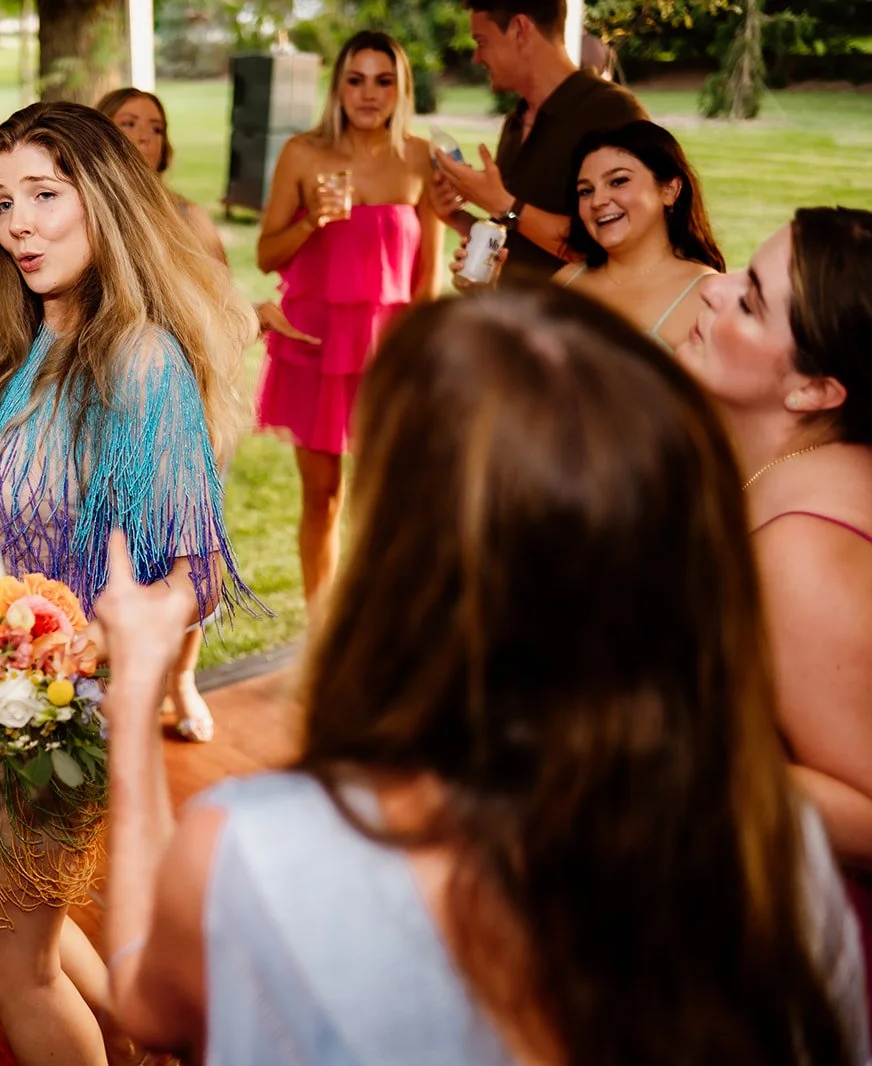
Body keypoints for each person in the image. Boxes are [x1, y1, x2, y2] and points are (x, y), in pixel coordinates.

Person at [97, 282, 870, 1065]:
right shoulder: (768, 846)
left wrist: (133, 702)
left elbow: (147, 1005)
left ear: (399, 546)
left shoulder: (260, 851)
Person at [0, 1, 259, 1062]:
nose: (18, 224)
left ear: (103, 200)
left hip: (53, 709)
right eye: (0, 201)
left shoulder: (138, 358)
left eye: (45, 194)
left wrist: (81, 649)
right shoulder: (32, 325)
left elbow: (196, 573)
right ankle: (152, 1036)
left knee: (8, 957)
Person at [674, 206, 872, 1005]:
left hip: (800, 969)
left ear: (815, 389)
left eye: (751, 300)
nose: (713, 289)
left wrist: (664, 744)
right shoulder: (792, 474)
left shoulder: (803, 554)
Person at [97, 84, 317, 743]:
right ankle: (107, 686)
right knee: (109, 554)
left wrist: (254, 316)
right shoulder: (83, 218)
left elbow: (221, 310)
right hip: (104, 414)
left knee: (191, 554)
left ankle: (183, 680)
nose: (144, 134)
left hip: (187, 410)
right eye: (127, 122)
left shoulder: (190, 219)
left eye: (154, 125)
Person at [254, 30, 443, 616]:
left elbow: (427, 277)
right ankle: (322, 629)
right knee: (323, 497)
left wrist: (418, 358)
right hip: (316, 347)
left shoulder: (420, 158)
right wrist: (312, 219)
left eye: (383, 81)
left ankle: (379, 627)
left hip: (388, 354)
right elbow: (266, 254)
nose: (368, 94)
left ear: (401, 90)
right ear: (338, 87)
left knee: (387, 501)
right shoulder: (303, 154)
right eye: (356, 80)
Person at [433, 0, 645, 281]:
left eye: (482, 42)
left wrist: (503, 204)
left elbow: (618, 245)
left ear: (520, 29)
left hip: (575, 310)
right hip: (518, 308)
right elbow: (521, 236)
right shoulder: (516, 121)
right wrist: (459, 219)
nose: (476, 57)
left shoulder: (611, 111)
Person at [555, 120, 723, 349]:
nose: (597, 201)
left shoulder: (707, 295)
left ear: (669, 190)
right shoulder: (566, 281)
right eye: (586, 191)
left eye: (618, 181)